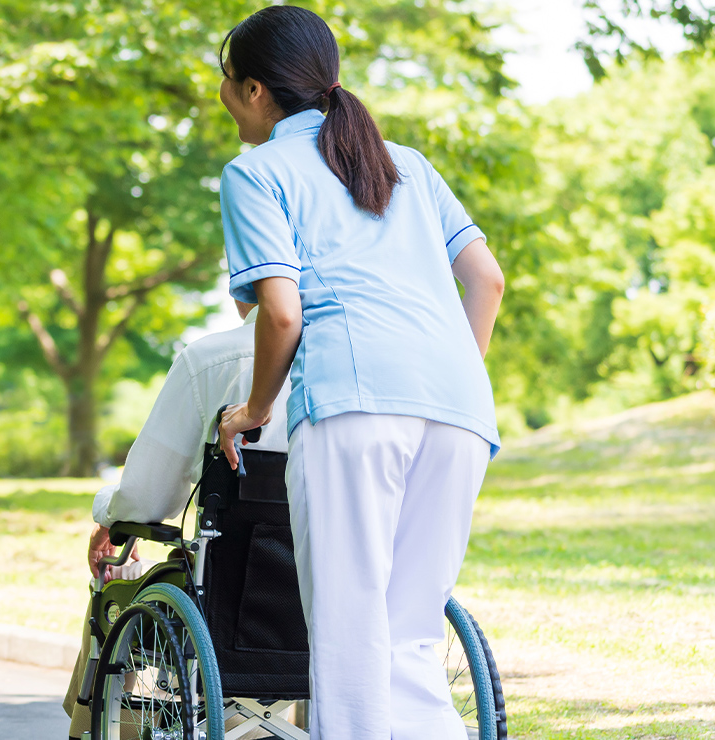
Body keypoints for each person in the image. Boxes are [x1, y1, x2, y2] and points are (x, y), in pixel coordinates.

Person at [210, 6, 507, 739]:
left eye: (224, 80)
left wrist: (252, 409)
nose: (221, 95)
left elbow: (281, 315)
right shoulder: (407, 163)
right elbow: (488, 282)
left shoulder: (255, 173)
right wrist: (450, 377)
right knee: (410, 639)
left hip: (354, 403)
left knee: (349, 639)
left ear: (253, 90)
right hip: (462, 408)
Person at [62, 298, 290, 738]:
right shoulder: (368, 366)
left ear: (241, 286)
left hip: (231, 611)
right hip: (329, 605)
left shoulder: (211, 360)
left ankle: (90, 727)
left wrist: (109, 517)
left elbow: (148, 496)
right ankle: (256, 725)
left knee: (112, 594)